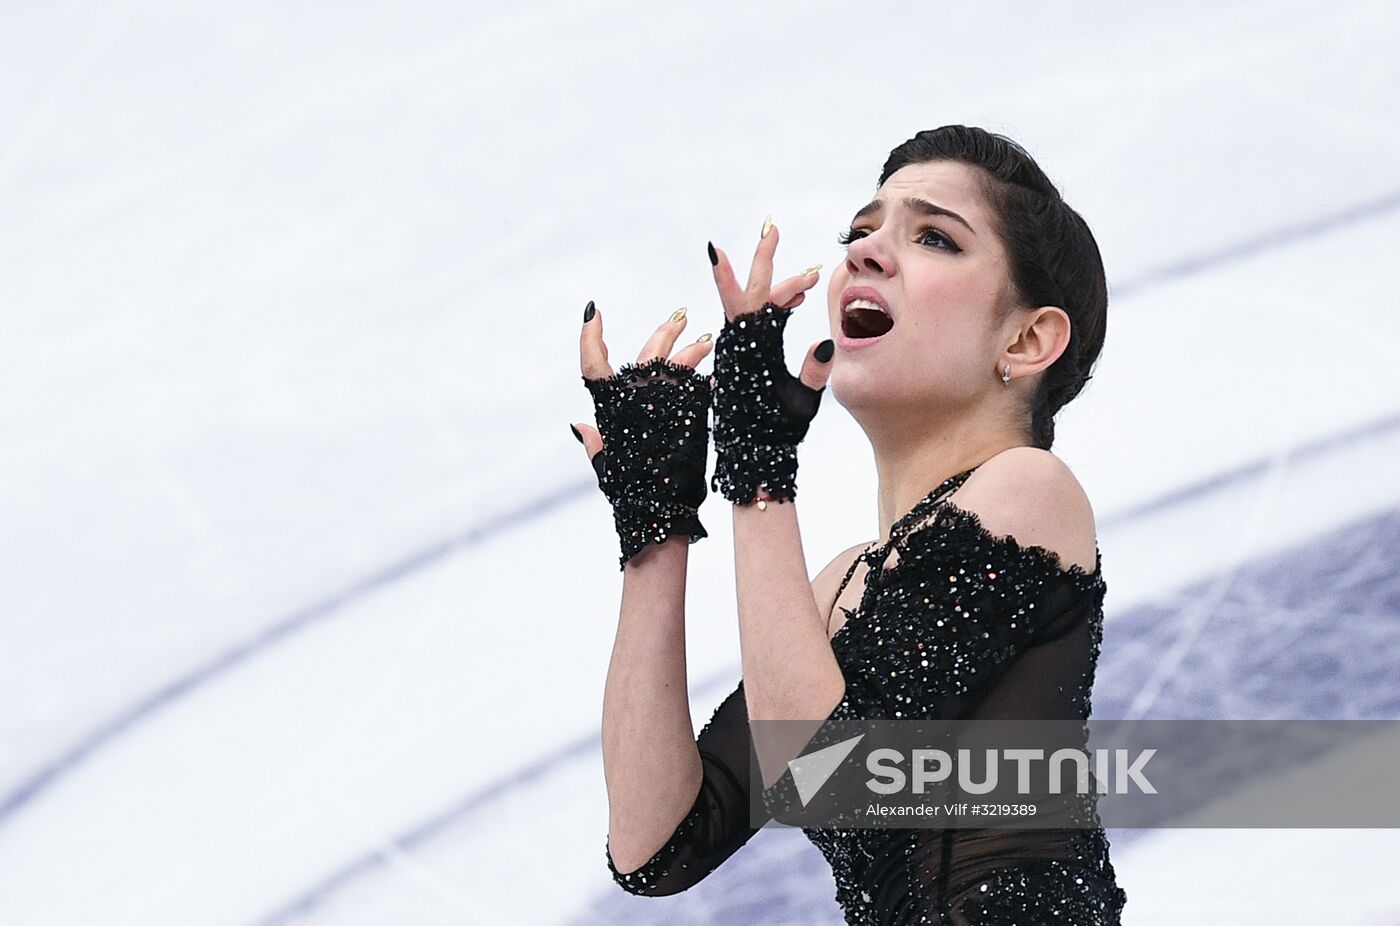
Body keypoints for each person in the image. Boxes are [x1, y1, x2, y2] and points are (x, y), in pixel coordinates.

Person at [570, 125, 1128, 924]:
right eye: (861, 232)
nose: (867, 253)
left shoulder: (1030, 493)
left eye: (934, 237)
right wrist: (654, 532)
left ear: (1027, 339)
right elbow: (655, 844)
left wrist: (757, 469)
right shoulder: (840, 584)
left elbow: (826, 778)